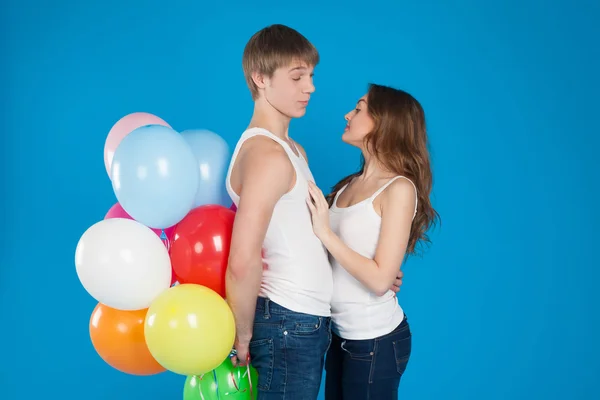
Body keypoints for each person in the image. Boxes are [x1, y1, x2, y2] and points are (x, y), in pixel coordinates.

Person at [224, 25, 403, 399]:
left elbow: (308, 234)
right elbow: (242, 258)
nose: (310, 87)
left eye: (311, 75)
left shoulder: (292, 150)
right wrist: (241, 336)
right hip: (287, 321)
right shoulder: (268, 155)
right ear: (260, 78)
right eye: (296, 77)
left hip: (307, 323)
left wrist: (377, 271)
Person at [305, 83, 440, 399]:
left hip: (375, 341)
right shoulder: (347, 186)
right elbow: (356, 264)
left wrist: (326, 233)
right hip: (339, 335)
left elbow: (379, 280)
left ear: (383, 121)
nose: (347, 114)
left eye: (359, 108)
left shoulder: (399, 189)